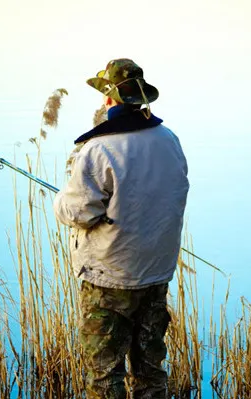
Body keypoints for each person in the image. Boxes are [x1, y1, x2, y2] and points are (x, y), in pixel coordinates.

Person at [53, 58, 190, 399]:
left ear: (111, 100)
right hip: (156, 274)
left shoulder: (99, 148)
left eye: (105, 96)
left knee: (104, 375)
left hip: (109, 277)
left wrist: (60, 201)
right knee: (150, 371)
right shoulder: (169, 139)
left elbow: (79, 211)